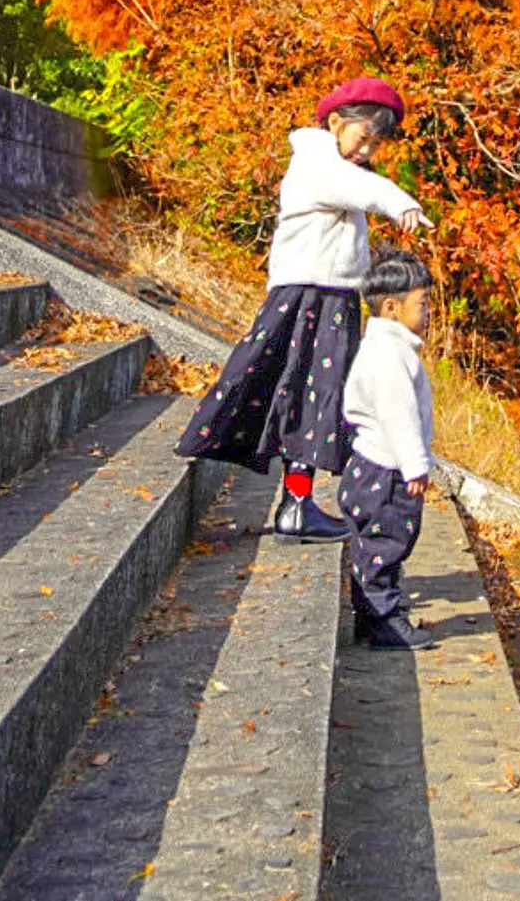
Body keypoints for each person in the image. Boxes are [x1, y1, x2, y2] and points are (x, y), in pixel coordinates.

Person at [176, 75, 431, 539]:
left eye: (375, 145)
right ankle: (294, 503)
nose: (366, 153)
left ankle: (298, 503)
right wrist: (401, 202)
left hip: (328, 297)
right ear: (335, 122)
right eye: (362, 139)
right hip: (308, 298)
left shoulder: (337, 170)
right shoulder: (316, 163)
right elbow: (357, 187)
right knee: (304, 396)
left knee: (317, 402)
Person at [336, 247, 436, 648]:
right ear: (392, 307)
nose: (428, 312)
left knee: (380, 542)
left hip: (372, 466)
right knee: (386, 542)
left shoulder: (383, 347)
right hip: (385, 470)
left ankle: (377, 616)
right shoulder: (389, 355)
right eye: (423, 303)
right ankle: (383, 621)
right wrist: (415, 465)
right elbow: (398, 414)